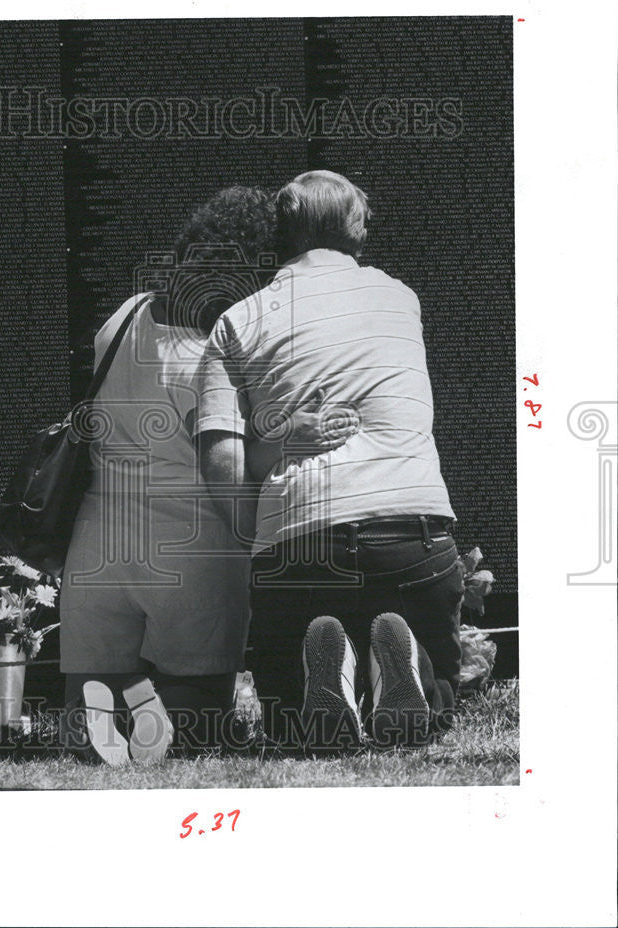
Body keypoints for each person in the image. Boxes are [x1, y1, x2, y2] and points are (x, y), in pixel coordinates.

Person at [59, 185, 351, 765]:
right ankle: (165, 726)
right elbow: (224, 462)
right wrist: (292, 436)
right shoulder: (207, 356)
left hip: (95, 550)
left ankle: (110, 722)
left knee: (85, 730)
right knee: (195, 733)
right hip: (190, 554)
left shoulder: (126, 315)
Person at [194, 169, 463, 752]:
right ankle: (407, 660)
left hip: (299, 548)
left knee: (290, 717)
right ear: (355, 228)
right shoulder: (401, 298)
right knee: (441, 692)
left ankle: (323, 674)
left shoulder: (234, 323)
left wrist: (253, 535)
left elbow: (220, 463)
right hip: (412, 541)